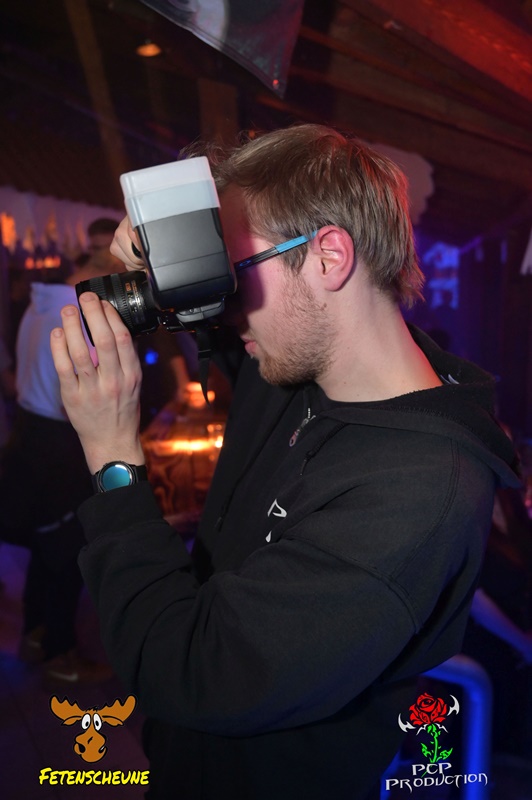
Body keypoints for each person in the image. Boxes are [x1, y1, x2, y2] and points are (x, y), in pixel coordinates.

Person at [50, 125, 520, 799]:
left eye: (233, 272)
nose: (226, 301)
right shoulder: (303, 366)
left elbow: (189, 671)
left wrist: (111, 457)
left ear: (329, 257)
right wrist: (166, 247)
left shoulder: (417, 494)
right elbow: (216, 313)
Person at [0, 220, 123, 685]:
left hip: (30, 433)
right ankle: (60, 653)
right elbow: (83, 394)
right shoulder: (75, 316)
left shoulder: (39, 303)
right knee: (67, 550)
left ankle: (35, 636)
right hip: (57, 442)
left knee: (44, 543)